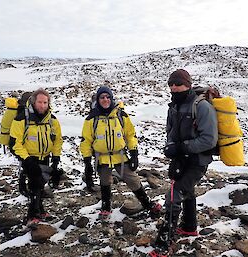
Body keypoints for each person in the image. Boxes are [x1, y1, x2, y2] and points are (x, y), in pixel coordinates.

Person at [154, 69, 218, 251]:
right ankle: (189, 227)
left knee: (174, 194)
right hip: (181, 158)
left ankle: (164, 243)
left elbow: (209, 139)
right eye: (171, 84)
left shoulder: (202, 107)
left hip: (198, 160)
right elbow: (170, 131)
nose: (174, 87)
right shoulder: (173, 106)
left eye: (178, 84)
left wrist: (182, 147)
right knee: (186, 190)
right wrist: (171, 148)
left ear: (188, 85)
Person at [80, 86, 161, 219]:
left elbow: (130, 135)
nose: (105, 100)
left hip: (120, 155)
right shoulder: (91, 119)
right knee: (105, 181)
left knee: (133, 179)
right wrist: (87, 162)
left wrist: (134, 153)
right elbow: (86, 141)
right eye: (102, 97)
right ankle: (106, 207)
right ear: (98, 100)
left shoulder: (121, 115)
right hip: (102, 157)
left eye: (108, 97)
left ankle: (147, 204)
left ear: (111, 98)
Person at [9, 88, 63, 225]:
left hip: (45, 156)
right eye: (40, 102)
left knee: (40, 184)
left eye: (45, 102)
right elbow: (15, 143)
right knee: (35, 184)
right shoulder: (21, 119)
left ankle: (40, 209)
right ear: (33, 102)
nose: (43, 105)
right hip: (29, 158)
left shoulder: (52, 120)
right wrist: (27, 160)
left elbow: (57, 140)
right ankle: (32, 216)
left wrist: (56, 158)